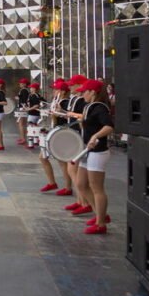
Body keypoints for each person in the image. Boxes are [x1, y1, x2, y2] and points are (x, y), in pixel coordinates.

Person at [73, 79, 114, 235]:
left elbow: (109, 126)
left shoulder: (100, 108)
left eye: (84, 91)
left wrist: (95, 136)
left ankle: (101, 223)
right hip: (87, 150)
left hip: (98, 151)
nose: (82, 93)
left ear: (93, 92)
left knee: (96, 188)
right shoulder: (89, 106)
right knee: (81, 184)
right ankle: (100, 214)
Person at [64, 74, 93, 216]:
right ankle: (80, 200)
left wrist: (71, 114)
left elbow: (84, 117)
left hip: (79, 137)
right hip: (76, 135)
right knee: (72, 170)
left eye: (73, 84)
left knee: (74, 171)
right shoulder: (77, 98)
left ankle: (84, 202)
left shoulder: (82, 100)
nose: (70, 86)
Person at [25, 82, 43, 152]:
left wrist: (29, 109)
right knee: (34, 126)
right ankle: (35, 141)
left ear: (35, 89)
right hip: (33, 113)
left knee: (30, 128)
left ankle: (30, 144)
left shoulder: (35, 95)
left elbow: (37, 105)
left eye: (32, 88)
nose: (30, 88)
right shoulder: (33, 95)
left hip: (33, 114)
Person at [15, 78, 30, 147]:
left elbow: (24, 100)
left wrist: (18, 98)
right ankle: (23, 138)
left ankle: (23, 138)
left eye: (21, 83)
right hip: (23, 107)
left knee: (21, 123)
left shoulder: (24, 90)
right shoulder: (25, 90)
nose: (20, 84)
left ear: (24, 84)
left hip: (22, 107)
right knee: (22, 123)